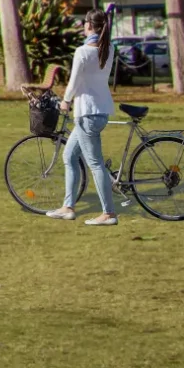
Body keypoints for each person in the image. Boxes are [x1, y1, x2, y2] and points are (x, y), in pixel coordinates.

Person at [46, 15, 120, 226]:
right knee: (69, 156)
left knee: (95, 164)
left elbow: (74, 81)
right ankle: (68, 207)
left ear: (88, 25)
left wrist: (65, 100)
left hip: (87, 113)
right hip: (100, 110)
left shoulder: (83, 52)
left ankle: (109, 213)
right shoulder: (108, 48)